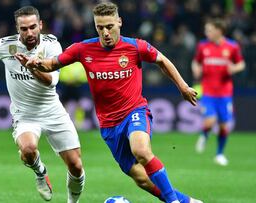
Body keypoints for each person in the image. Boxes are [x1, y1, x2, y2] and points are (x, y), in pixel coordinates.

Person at [16, 2, 203, 203]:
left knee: (141, 151)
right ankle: (187, 201)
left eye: (109, 26)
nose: (105, 32)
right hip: (109, 125)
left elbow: (161, 60)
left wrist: (183, 87)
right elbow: (52, 64)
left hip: (135, 111)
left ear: (119, 22)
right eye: (100, 27)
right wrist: (35, 64)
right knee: (141, 178)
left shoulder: (134, 46)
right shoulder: (83, 49)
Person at [0, 6, 85, 203]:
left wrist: (33, 67)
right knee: (28, 150)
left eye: (32, 27)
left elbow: (51, 81)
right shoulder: (3, 45)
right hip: (25, 114)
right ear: (17, 28)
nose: (29, 33)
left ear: (40, 25)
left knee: (76, 167)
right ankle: (40, 172)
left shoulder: (52, 45)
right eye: (23, 29)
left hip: (52, 111)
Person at [193, 19, 245, 166]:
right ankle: (204, 135)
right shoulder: (203, 46)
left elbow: (241, 63)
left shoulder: (232, 46)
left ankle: (219, 154)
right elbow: (196, 61)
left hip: (225, 92)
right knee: (210, 121)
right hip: (208, 90)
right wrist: (195, 68)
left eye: (209, 30)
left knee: (223, 126)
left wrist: (234, 69)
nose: (206, 33)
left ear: (219, 31)